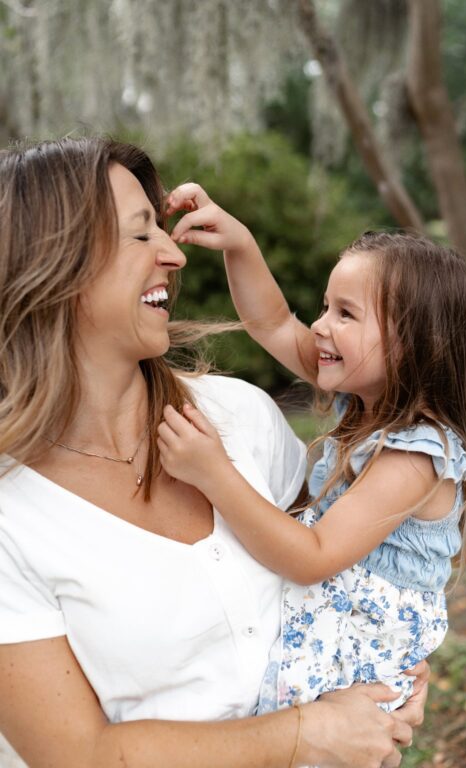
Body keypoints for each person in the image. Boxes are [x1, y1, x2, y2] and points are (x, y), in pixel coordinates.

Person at [0, 137, 426, 768]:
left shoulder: (240, 417)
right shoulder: (13, 513)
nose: (174, 255)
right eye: (141, 236)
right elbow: (74, 755)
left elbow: (344, 570)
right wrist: (307, 734)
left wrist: (393, 675)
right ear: (52, 266)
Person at [152, 185, 466, 714]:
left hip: (352, 678)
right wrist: (239, 245)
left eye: (345, 315)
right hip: (321, 651)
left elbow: (313, 560)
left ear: (416, 342)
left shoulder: (414, 459)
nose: (319, 326)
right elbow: (270, 323)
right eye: (325, 307)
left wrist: (213, 473)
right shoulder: (363, 397)